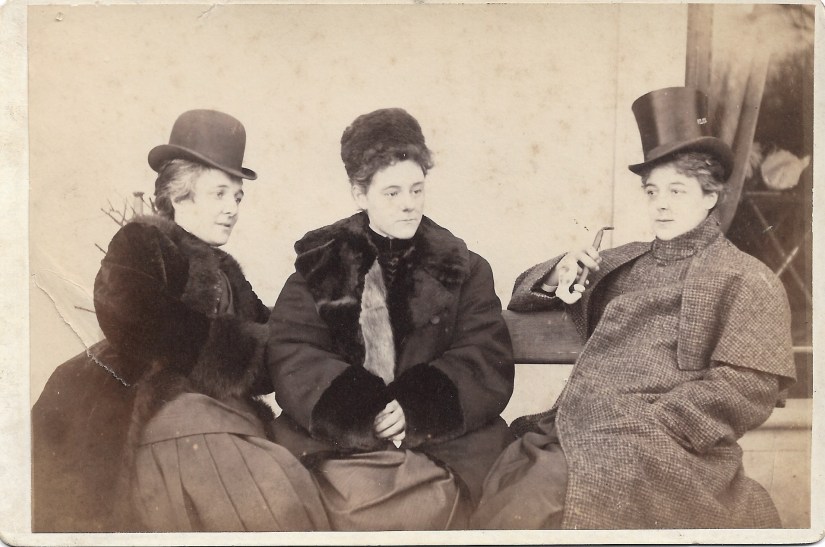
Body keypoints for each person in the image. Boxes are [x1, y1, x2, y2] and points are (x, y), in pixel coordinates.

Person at [472, 87, 796, 529]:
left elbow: (749, 385)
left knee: (544, 495)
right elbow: (524, 293)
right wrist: (560, 272)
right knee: (519, 487)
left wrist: (663, 422)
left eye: (677, 191)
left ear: (710, 196)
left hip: (672, 443)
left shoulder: (746, 277)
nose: (660, 204)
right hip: (578, 424)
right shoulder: (623, 262)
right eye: (652, 191)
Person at [32, 109, 329, 532]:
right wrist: (239, 350)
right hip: (144, 402)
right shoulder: (143, 240)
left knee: (293, 477)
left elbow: (276, 344)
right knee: (261, 491)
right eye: (220, 194)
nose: (232, 209)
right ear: (180, 194)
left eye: (238, 197)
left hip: (211, 410)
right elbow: (131, 315)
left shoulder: (228, 272)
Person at [266, 107, 515, 530]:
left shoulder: (465, 267)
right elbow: (293, 350)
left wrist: (417, 405)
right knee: (310, 502)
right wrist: (360, 408)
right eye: (392, 193)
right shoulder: (322, 263)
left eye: (417, 190)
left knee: (424, 508)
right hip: (336, 446)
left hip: (440, 447)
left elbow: (485, 354)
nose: (408, 206)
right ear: (360, 195)